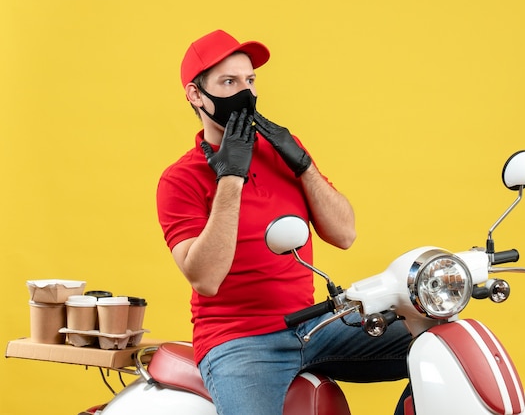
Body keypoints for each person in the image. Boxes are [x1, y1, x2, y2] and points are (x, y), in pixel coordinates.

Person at [156, 29, 413, 415]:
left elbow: (345, 234)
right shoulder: (180, 179)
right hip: (240, 342)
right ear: (196, 95)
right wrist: (231, 178)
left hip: (314, 325)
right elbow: (205, 278)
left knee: (438, 344)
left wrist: (302, 163)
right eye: (229, 82)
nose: (246, 93)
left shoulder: (282, 154)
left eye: (250, 80)